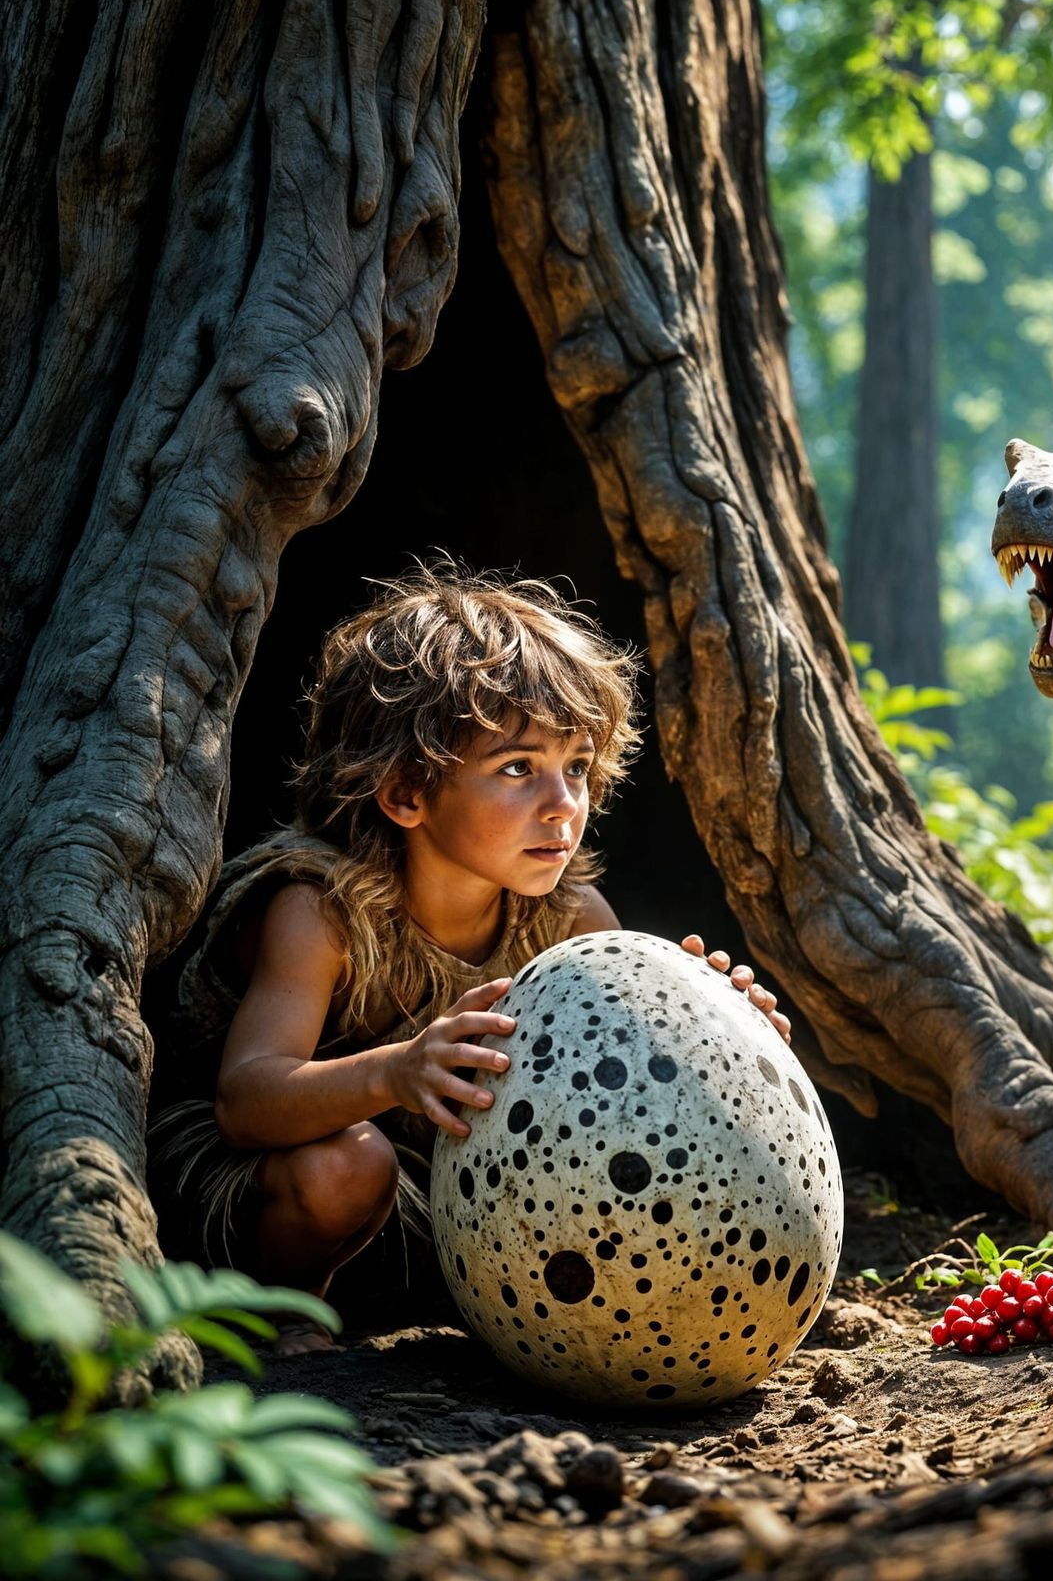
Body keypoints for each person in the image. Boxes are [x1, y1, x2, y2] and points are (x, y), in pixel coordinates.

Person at [151, 562, 788, 1353]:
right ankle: (284, 1323)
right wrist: (392, 1074)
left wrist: (717, 1034)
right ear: (407, 794)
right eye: (518, 769)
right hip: (260, 1189)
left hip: (441, 1194)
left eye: (578, 768)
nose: (564, 805)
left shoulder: (569, 918)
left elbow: (632, 1089)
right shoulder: (320, 911)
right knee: (346, 1166)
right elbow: (244, 1103)